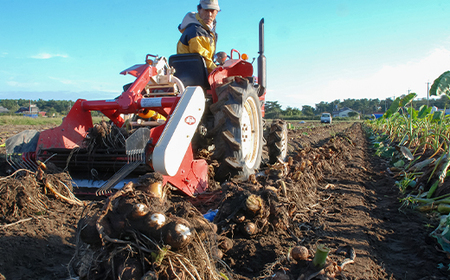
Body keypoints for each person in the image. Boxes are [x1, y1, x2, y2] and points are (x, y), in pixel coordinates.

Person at [177, 0, 220, 73]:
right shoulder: (196, 31)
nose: (209, 14)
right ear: (199, 9)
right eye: (206, 10)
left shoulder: (209, 32)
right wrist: (220, 71)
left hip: (199, 73)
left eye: (212, 11)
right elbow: (202, 59)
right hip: (194, 75)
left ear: (217, 12)